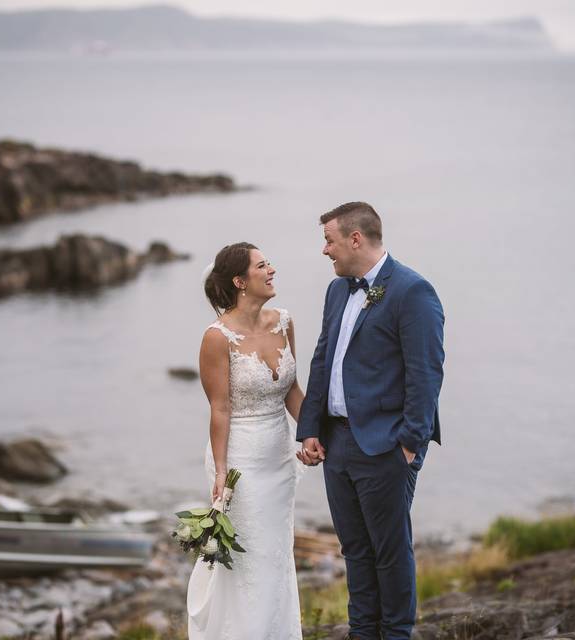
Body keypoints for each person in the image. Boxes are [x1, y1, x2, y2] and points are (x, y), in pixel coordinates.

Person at [297, 202, 445, 640]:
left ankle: (397, 634)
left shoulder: (412, 291)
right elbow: (323, 358)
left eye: (329, 240)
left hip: (385, 446)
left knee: (391, 551)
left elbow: (426, 371)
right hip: (337, 443)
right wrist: (309, 427)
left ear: (355, 238)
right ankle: (363, 633)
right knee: (355, 551)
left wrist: (410, 443)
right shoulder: (337, 290)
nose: (325, 250)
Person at [187, 241, 305, 640]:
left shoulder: (284, 321)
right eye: (262, 265)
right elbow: (219, 408)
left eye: (269, 262)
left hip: (279, 458)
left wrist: (313, 434)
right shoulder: (216, 338)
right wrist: (221, 473)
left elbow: (291, 391)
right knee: (249, 559)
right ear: (240, 281)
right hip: (240, 463)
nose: (271, 270)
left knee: (276, 556)